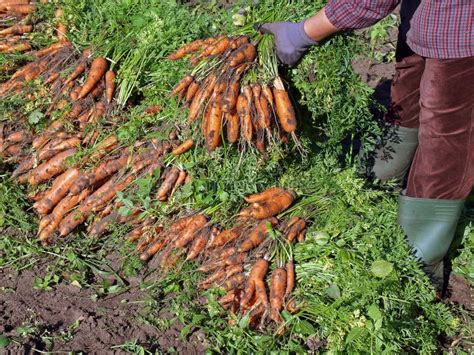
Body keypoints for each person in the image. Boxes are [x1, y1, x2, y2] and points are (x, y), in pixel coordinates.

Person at [261, 0, 473, 289]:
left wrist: (305, 32)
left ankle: (420, 259)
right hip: (429, 13)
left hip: (464, 31)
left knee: (448, 138)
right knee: (408, 91)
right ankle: (380, 181)